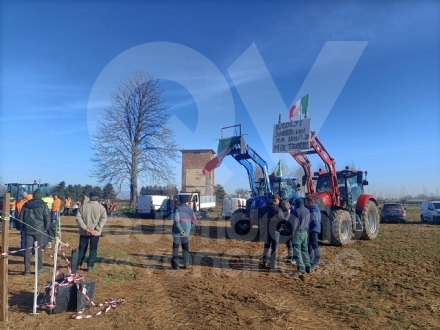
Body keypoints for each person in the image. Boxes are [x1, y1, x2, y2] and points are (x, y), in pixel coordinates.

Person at [19, 189, 50, 275]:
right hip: (39, 230)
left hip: (28, 230)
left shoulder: (26, 204)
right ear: (40, 196)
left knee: (28, 249)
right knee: (39, 249)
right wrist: (46, 228)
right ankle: (39, 268)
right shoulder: (43, 205)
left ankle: (27, 269)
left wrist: (22, 227)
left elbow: (21, 217)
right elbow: (47, 218)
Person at [75, 192, 107, 272]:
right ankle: (90, 265)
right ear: (97, 198)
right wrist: (97, 229)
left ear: (90, 198)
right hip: (95, 233)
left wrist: (85, 228)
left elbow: (78, 218)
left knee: (82, 248)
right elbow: (103, 218)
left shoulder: (83, 207)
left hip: (84, 232)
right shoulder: (101, 208)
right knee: (93, 248)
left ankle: (78, 264)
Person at [285, 197, 311, 278]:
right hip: (305, 233)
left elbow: (294, 223)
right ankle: (308, 266)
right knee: (305, 250)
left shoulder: (296, 211)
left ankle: (301, 268)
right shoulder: (307, 210)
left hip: (297, 233)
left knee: (297, 251)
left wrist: (292, 233)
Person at [171, 195, 197, 270]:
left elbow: (176, 220)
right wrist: (188, 228)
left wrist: (181, 230)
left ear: (179, 200)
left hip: (177, 232)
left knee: (175, 248)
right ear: (186, 201)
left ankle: (176, 265)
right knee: (185, 248)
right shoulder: (190, 210)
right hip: (186, 232)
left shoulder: (177, 209)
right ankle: (186, 264)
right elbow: (194, 221)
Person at [260, 194, 285, 270]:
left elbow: (261, 217)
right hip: (275, 231)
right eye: (278, 200)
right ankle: (273, 264)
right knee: (274, 248)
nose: (279, 201)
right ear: (275, 200)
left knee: (266, 246)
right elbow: (282, 220)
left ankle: (265, 261)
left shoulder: (264, 208)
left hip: (267, 229)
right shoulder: (278, 210)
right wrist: (282, 229)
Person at [305, 196, 321, 270]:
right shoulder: (312, 209)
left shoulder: (313, 209)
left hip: (313, 230)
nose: (305, 203)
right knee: (310, 245)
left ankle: (316, 262)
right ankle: (311, 261)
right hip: (313, 230)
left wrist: (309, 229)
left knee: (315, 246)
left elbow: (314, 221)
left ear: (309, 202)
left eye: (306, 202)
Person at [280, 199, 295, 265]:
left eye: (284, 206)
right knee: (288, 243)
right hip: (287, 229)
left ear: (287, 205)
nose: (283, 207)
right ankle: (290, 256)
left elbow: (287, 220)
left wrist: (288, 214)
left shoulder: (292, 210)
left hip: (292, 229)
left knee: (292, 243)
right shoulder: (285, 210)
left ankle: (293, 257)